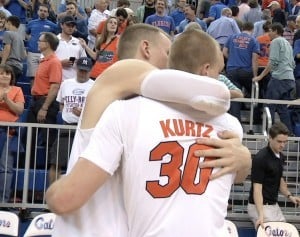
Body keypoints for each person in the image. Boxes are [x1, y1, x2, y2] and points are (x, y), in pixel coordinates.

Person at [47, 23, 251, 237]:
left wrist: (244, 159)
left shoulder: (135, 108)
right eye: (168, 52)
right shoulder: (120, 80)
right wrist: (222, 93)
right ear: (146, 49)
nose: (171, 61)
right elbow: (199, 90)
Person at [48, 57, 94, 184]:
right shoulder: (66, 84)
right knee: (56, 162)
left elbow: (98, 109)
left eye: (86, 71)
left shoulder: (94, 86)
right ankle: (53, 195)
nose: (83, 73)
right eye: (81, 70)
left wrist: (84, 114)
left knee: (84, 166)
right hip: (67, 126)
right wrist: (66, 112)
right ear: (76, 69)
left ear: (90, 71)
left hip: (85, 127)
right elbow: (61, 103)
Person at [247, 122, 300, 229]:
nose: (282, 145)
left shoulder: (280, 156)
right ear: (270, 138)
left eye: (285, 142)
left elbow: (279, 178)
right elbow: (257, 188)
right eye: (279, 141)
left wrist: (290, 196)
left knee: (286, 231)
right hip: (260, 206)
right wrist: (260, 215)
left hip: (272, 205)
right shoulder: (261, 158)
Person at [26, 32, 62, 167]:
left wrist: (45, 107)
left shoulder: (54, 62)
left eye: (40, 41)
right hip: (36, 101)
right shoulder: (44, 60)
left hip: (45, 102)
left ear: (47, 44)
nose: (37, 42)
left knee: (48, 138)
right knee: (28, 137)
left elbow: (55, 87)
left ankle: (50, 169)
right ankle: (29, 169)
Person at [253, 23, 296, 134]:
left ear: (276, 31)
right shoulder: (287, 43)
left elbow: (272, 62)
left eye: (271, 30)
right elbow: (293, 63)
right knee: (283, 109)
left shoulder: (276, 42)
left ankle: (269, 133)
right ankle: (289, 133)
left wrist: (260, 76)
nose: (269, 33)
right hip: (290, 79)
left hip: (279, 78)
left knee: (269, 106)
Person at [223, 21, 260, 122]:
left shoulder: (232, 37)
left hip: (232, 70)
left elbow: (224, 52)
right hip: (246, 71)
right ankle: (256, 119)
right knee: (255, 93)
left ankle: (236, 122)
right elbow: (255, 59)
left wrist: (231, 59)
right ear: (252, 30)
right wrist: (255, 76)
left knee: (235, 96)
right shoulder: (253, 40)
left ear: (242, 28)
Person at [0, 64, 24, 203]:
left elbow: (19, 110)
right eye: (2, 73)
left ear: (12, 77)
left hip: (8, 133)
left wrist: (7, 99)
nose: (5, 76)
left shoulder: (17, 90)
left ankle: (2, 201)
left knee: (5, 168)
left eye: (8, 74)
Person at [26, 4, 58, 82]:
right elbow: (26, 33)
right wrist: (29, 39)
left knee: (44, 77)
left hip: (45, 54)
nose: (42, 12)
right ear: (37, 12)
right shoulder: (31, 23)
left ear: (48, 13)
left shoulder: (53, 25)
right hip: (32, 53)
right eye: (41, 10)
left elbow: (57, 37)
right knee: (32, 77)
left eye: (45, 11)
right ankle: (33, 93)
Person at [55, 15, 87, 81]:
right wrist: (60, 63)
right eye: (68, 25)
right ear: (61, 25)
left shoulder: (79, 42)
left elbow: (84, 61)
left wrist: (78, 62)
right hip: (56, 80)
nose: (70, 28)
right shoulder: (53, 40)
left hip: (74, 81)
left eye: (73, 26)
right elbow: (44, 61)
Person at [1, 16, 26, 82]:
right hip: (19, 68)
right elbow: (24, 55)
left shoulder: (7, 33)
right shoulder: (21, 37)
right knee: (11, 89)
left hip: (9, 66)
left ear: (9, 23)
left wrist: (3, 63)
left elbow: (7, 48)